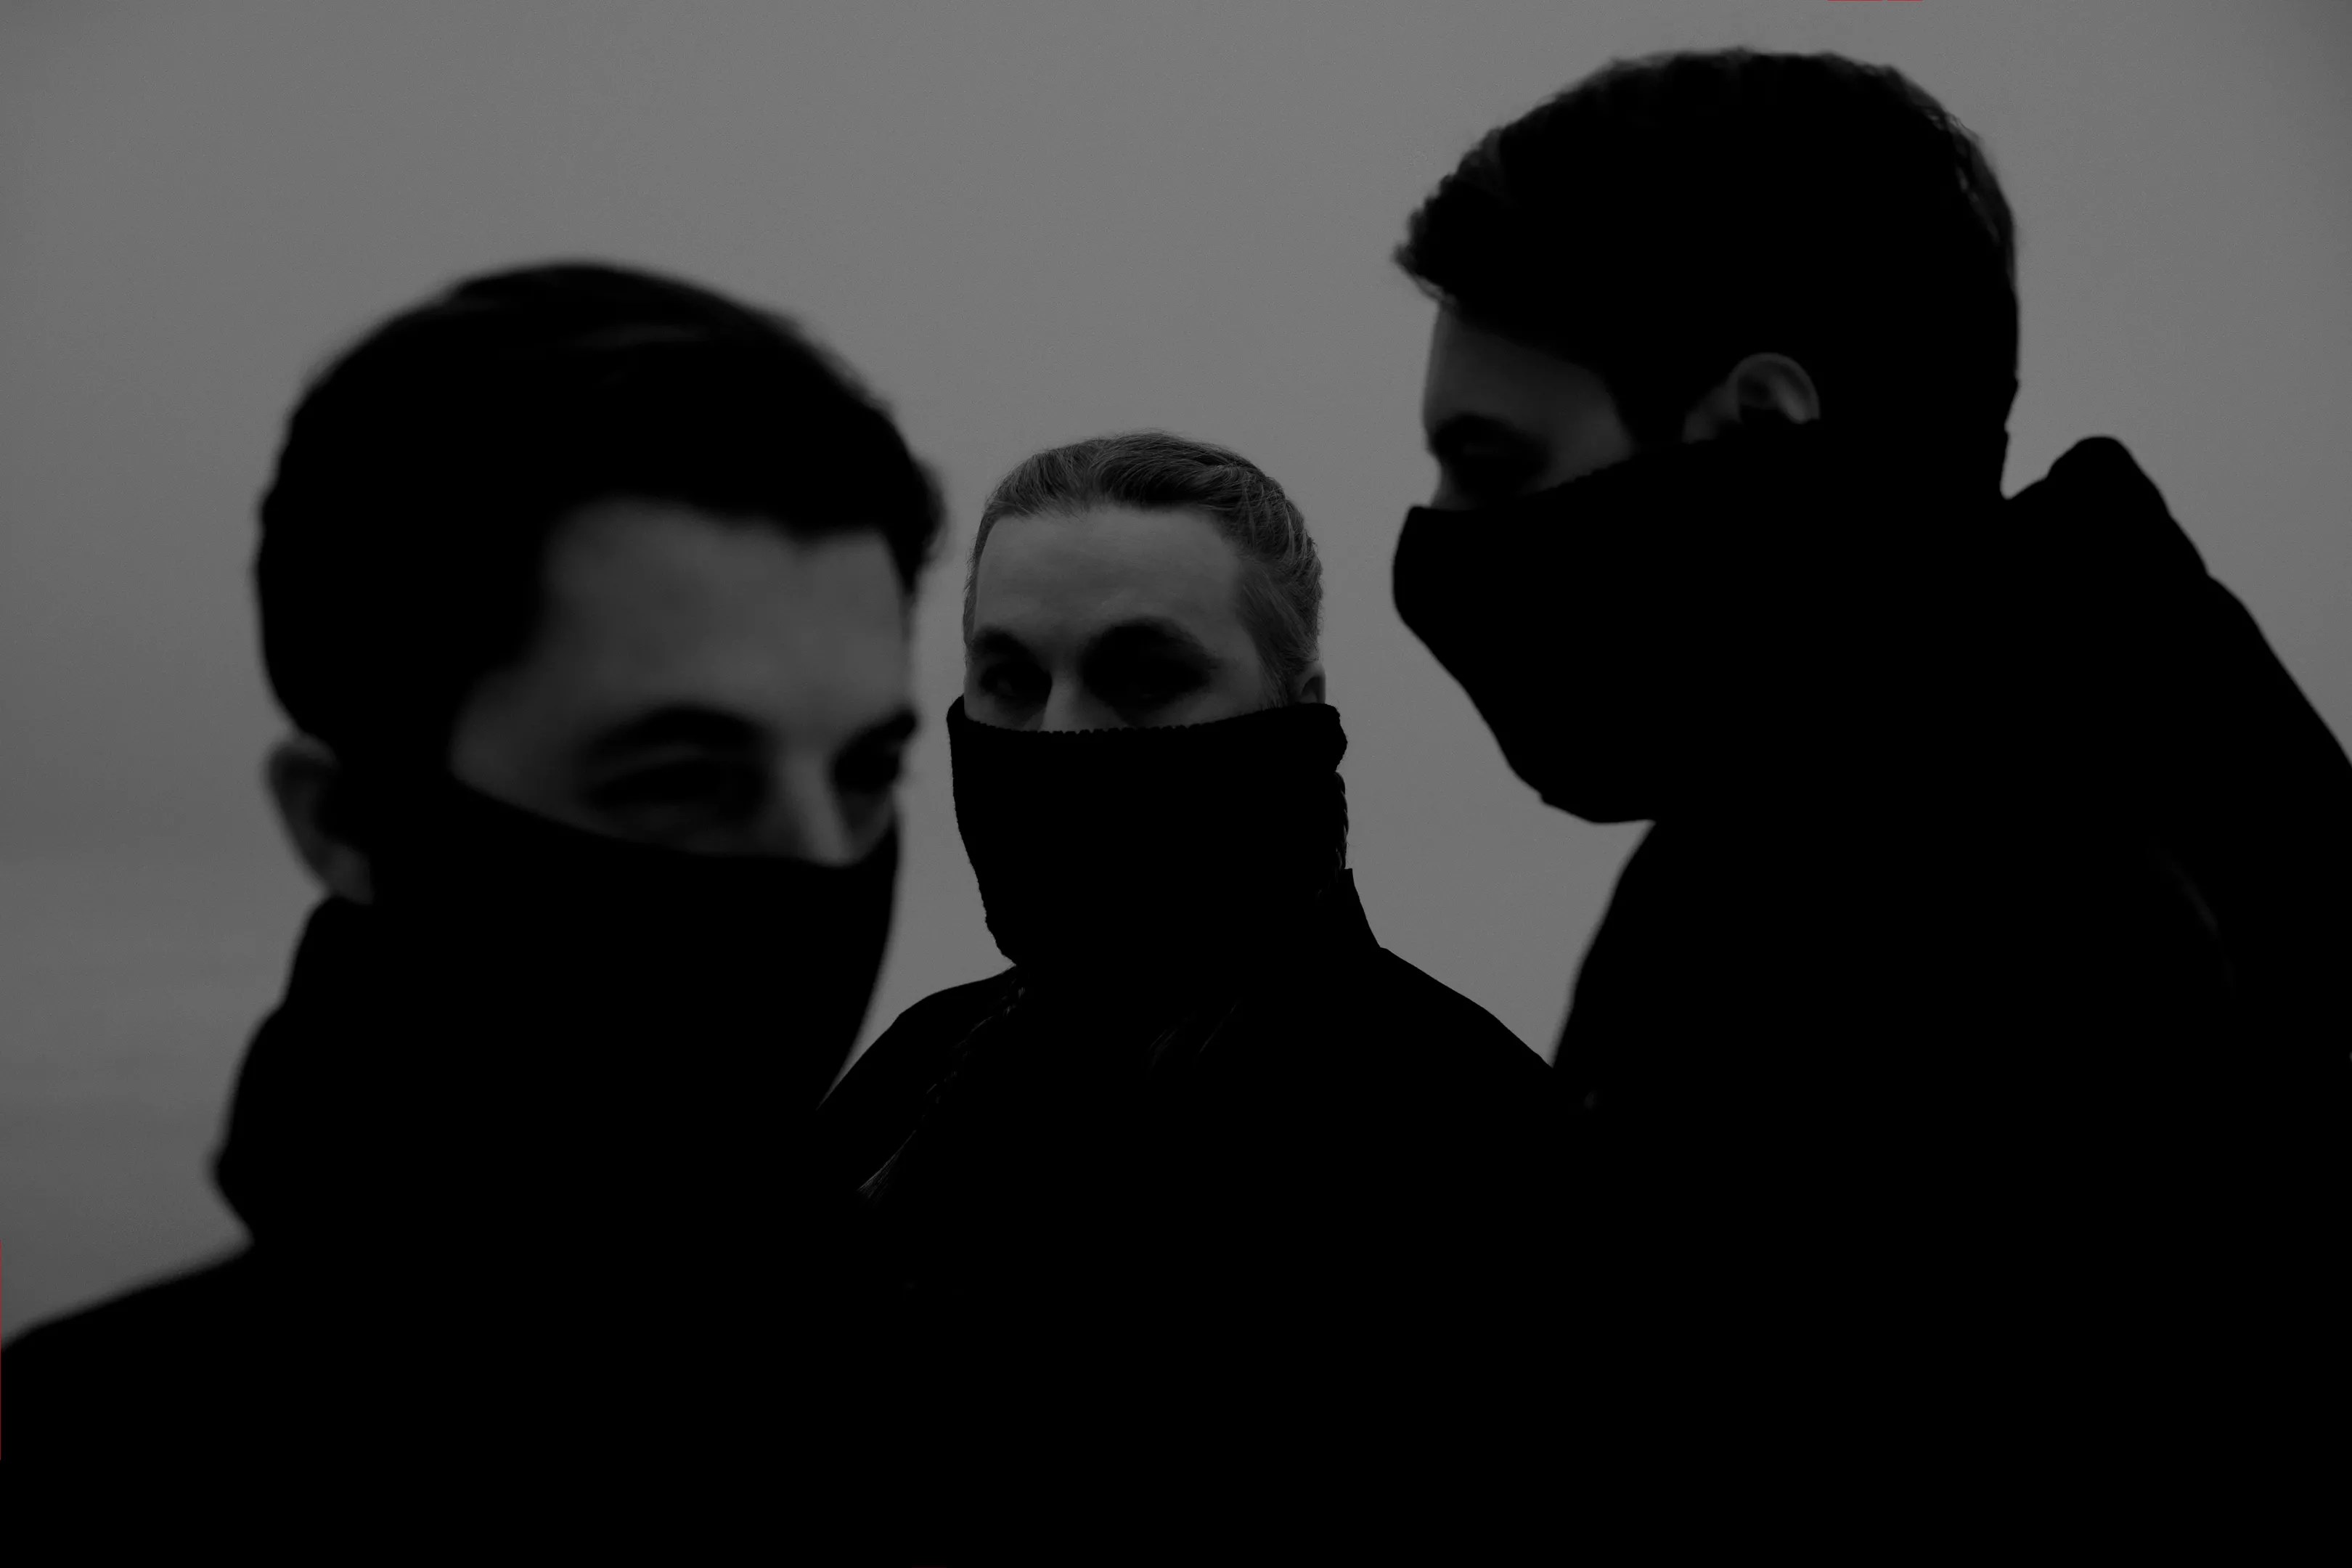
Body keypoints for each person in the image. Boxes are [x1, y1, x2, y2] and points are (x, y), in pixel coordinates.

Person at [1388, 48, 2348, 1536]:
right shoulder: (2082, 757)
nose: (1436, 545)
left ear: (1765, 426)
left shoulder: (1969, 898)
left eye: (1496, 466)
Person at [4, 263, 942, 1491]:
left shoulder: (1034, 1437)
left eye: (866, 773)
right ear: (345, 821)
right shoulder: (73, 1469)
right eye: (681, 780)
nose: (824, 864)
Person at [812, 432, 1565, 1556]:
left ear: (1297, 713)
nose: (1059, 737)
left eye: (1143, 678)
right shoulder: (909, 1079)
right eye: (1011, 680)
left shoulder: (1475, 1140)